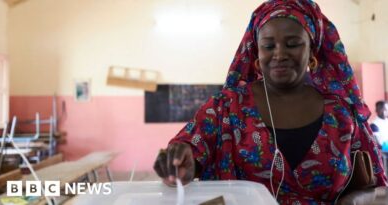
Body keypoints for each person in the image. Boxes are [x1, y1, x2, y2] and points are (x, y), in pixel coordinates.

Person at [153, 0, 388, 204]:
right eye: (268, 45)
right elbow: (188, 152)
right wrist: (179, 163)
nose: (279, 54)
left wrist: (359, 199)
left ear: (312, 49)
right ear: (257, 52)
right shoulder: (226, 108)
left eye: (293, 43)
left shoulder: (343, 116)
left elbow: (380, 188)